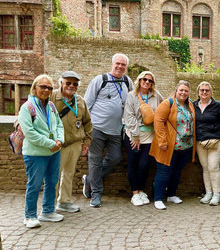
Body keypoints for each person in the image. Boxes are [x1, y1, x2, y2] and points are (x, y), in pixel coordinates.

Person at [83, 53, 133, 208]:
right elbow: (86, 104)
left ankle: (90, 180)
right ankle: (96, 194)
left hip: (116, 130)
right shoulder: (100, 80)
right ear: (112, 64)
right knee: (95, 160)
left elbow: (133, 101)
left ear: (126, 67)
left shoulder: (127, 82)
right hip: (97, 128)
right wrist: (86, 129)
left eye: (123, 65)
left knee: (115, 158)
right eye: (117, 63)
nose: (120, 67)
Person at [19, 74, 64, 228]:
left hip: (53, 151)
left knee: (52, 182)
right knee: (34, 184)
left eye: (50, 88)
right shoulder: (27, 108)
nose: (46, 90)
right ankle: (29, 216)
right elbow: (29, 133)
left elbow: (59, 125)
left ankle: (48, 211)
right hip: (36, 154)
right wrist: (50, 143)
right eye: (43, 86)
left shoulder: (51, 106)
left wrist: (59, 140)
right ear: (35, 87)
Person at [150, 80, 196, 210]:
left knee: (177, 172)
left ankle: (171, 194)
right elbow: (158, 121)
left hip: (185, 145)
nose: (183, 92)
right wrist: (162, 141)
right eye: (181, 90)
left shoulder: (190, 105)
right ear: (176, 91)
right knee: (163, 172)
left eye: (186, 90)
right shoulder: (167, 103)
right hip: (169, 145)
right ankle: (158, 198)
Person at [52, 71, 92, 213]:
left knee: (69, 174)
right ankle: (49, 205)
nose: (71, 86)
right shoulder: (51, 97)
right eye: (68, 82)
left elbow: (87, 123)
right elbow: (32, 110)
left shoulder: (80, 101)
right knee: (53, 175)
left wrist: (86, 142)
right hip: (56, 144)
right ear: (60, 83)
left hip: (75, 143)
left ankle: (64, 201)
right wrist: (19, 124)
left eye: (75, 84)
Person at [123, 71, 163, 206]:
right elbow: (129, 116)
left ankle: (141, 191)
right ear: (139, 81)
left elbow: (165, 107)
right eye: (144, 79)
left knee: (144, 165)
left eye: (150, 80)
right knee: (133, 163)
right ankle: (135, 193)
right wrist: (135, 136)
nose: (147, 82)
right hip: (133, 135)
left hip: (149, 136)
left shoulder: (156, 95)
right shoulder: (131, 95)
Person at [194, 81, 220, 206]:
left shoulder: (216, 105)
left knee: (213, 167)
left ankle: (216, 194)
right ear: (198, 92)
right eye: (202, 90)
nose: (204, 92)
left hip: (216, 140)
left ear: (210, 92)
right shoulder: (194, 105)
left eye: (207, 90)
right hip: (200, 141)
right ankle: (208, 193)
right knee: (205, 168)